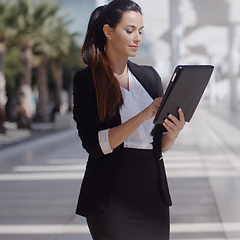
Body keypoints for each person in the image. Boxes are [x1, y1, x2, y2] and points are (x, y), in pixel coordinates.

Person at [72, 1, 185, 239]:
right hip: (111, 195)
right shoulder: (87, 80)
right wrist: (143, 114)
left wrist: (172, 133)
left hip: (152, 193)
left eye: (141, 32)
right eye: (130, 30)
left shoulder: (149, 76)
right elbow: (95, 145)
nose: (137, 38)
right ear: (108, 31)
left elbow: (156, 145)